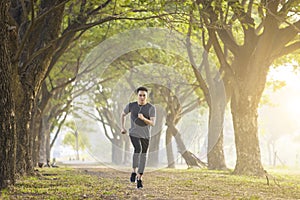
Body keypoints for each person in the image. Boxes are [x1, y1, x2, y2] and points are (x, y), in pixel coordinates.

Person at [120, 86, 156, 189]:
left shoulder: (151, 108)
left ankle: (139, 178)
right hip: (134, 133)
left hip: (145, 135)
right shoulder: (131, 106)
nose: (142, 97)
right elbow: (122, 114)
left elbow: (153, 123)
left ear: (146, 96)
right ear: (137, 96)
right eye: (140, 95)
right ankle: (134, 171)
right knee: (138, 149)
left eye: (144, 95)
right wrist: (122, 128)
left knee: (144, 155)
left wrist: (144, 118)